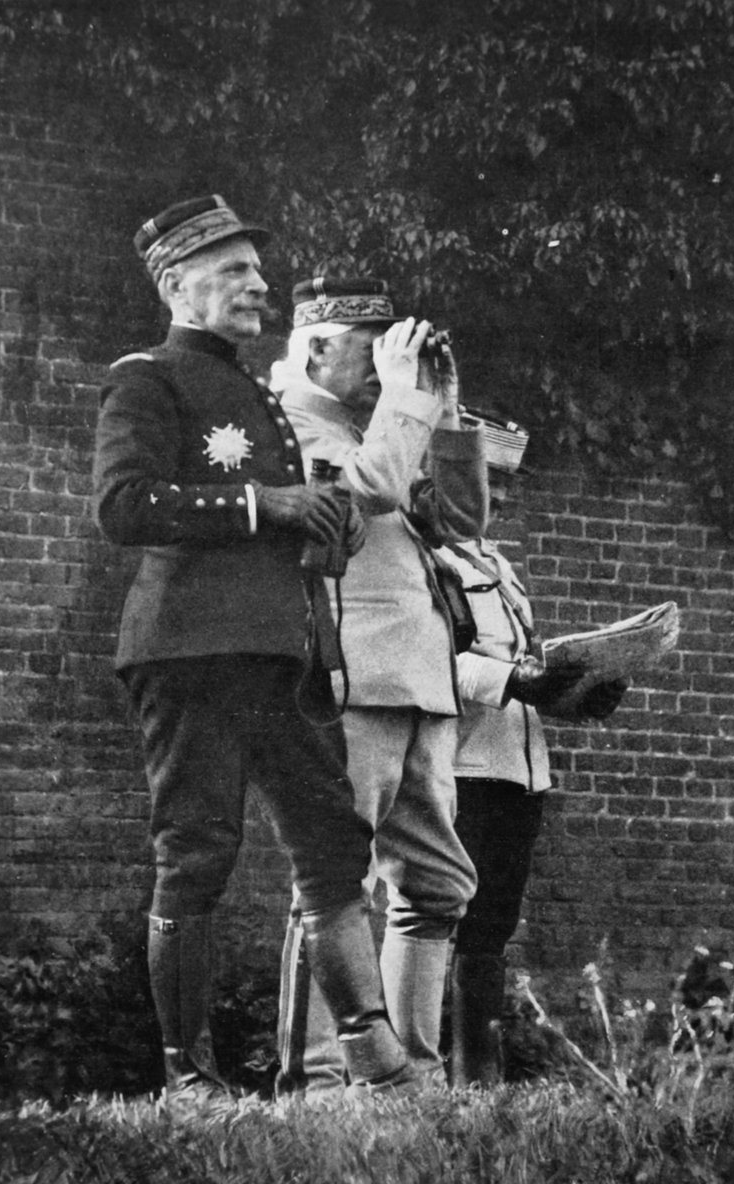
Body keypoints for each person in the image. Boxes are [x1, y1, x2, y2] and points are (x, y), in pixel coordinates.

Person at [92, 196, 417, 1101]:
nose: (258, 285)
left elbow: (276, 525)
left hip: (278, 653)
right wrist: (265, 504)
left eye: (258, 270)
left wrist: (320, 525)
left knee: (332, 840)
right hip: (190, 650)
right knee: (197, 848)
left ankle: (376, 1064)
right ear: (176, 284)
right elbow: (123, 506)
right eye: (234, 270)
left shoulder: (261, 398)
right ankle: (188, 1077)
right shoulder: (146, 379)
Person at [270, 275, 496, 1100]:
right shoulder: (284, 421)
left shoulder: (385, 422)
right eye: (372, 351)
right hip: (347, 682)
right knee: (334, 881)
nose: (388, 368)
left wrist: (449, 412)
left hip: (421, 683)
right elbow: (365, 497)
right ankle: (319, 1081)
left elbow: (463, 522)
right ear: (316, 350)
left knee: (436, 884)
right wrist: (405, 404)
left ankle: (412, 1082)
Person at [438, 410, 629, 1085]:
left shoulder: (497, 564)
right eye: (486, 478)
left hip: (517, 771)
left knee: (492, 925)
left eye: (507, 484)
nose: (498, 496)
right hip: (459, 767)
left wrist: (578, 695)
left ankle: (477, 1077)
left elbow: (524, 673)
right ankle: (431, 1072)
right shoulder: (427, 559)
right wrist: (519, 681)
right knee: (444, 919)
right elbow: (428, 661)